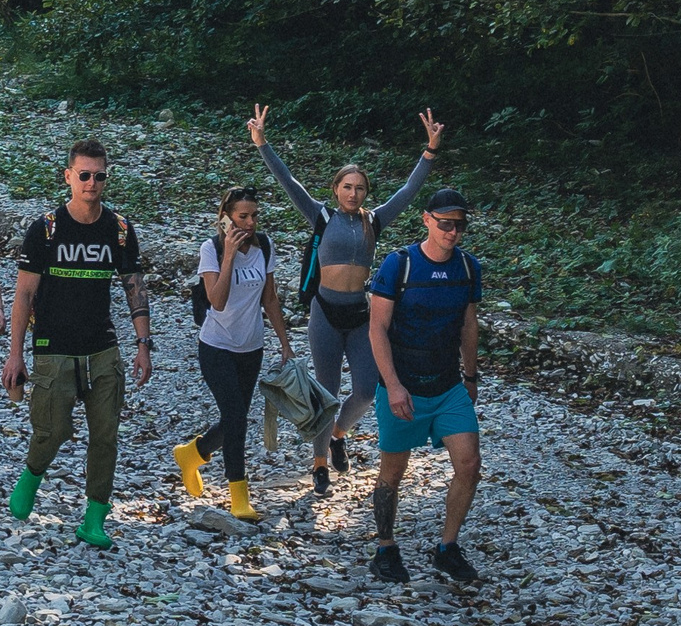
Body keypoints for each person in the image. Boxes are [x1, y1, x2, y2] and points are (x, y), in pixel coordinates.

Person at [250, 104, 443, 492]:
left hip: (359, 315)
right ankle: (320, 462)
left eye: (360, 188)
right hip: (325, 312)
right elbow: (288, 181)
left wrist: (430, 151)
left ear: (365, 193)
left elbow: (408, 191)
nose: (353, 194)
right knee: (327, 391)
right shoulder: (321, 216)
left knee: (366, 391)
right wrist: (261, 143)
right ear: (336, 189)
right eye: (347, 187)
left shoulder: (374, 221)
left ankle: (338, 434)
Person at [0, 139, 149, 549]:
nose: (91, 183)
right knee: (53, 429)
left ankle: (94, 518)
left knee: (106, 435)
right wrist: (15, 354)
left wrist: (143, 343)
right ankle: (32, 475)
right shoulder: (46, 229)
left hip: (102, 347)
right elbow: (24, 295)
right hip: (53, 347)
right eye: (84, 175)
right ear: (68, 176)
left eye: (99, 176)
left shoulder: (120, 230)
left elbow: (134, 287)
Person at [367, 188, 485, 585]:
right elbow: (377, 327)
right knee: (393, 471)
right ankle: (385, 547)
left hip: (448, 383)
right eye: (445, 223)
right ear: (427, 220)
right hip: (403, 381)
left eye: (459, 225)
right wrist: (393, 385)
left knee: (469, 464)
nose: (452, 232)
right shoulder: (399, 265)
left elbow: (469, 324)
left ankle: (448, 548)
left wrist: (470, 376)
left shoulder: (467, 268)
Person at [173, 187, 294, 520]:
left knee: (235, 417)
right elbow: (217, 300)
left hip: (251, 348)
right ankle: (239, 497)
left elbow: (270, 299)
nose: (250, 222)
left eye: (254, 215)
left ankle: (192, 454)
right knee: (237, 418)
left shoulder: (264, 246)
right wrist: (228, 255)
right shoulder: (210, 249)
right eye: (243, 216)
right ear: (226, 218)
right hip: (216, 347)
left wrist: (285, 343)